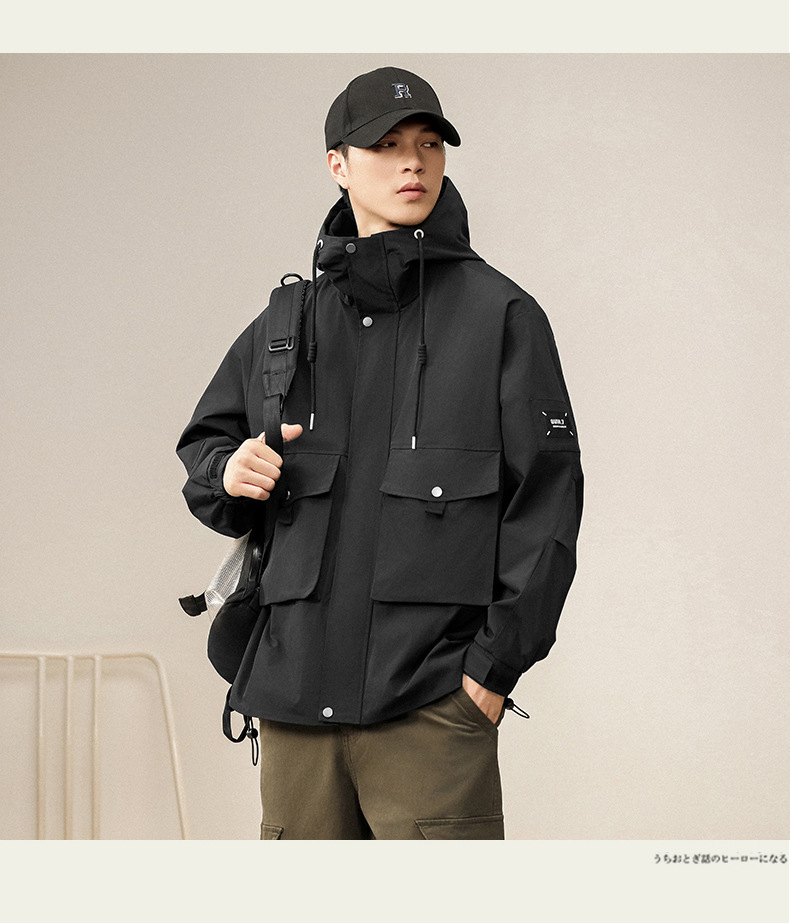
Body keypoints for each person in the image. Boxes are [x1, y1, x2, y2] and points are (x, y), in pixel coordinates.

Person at [177, 66, 583, 840]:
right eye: (387, 145)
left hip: (429, 710)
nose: (412, 163)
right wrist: (228, 471)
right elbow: (206, 450)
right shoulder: (287, 323)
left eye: (428, 144)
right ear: (338, 164)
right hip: (295, 714)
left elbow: (548, 506)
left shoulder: (502, 316)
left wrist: (489, 674)